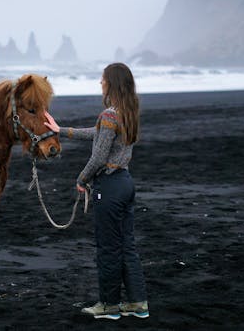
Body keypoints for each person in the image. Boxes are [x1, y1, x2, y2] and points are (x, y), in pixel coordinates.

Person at [44, 63, 148, 320]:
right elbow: (99, 134)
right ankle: (138, 303)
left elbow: (100, 155)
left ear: (111, 83)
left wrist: (82, 179)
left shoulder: (110, 115)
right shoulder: (127, 112)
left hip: (110, 187)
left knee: (108, 248)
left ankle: (109, 306)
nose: (100, 83)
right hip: (125, 183)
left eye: (102, 79)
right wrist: (62, 131)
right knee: (127, 246)